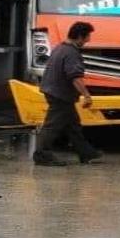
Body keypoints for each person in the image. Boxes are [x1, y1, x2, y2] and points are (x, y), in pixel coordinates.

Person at [33, 22, 102, 167]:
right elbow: (75, 77)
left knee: (73, 125)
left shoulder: (60, 48)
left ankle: (86, 152)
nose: (88, 40)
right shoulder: (71, 53)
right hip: (60, 94)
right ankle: (42, 155)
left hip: (54, 91)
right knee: (52, 126)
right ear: (79, 36)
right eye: (87, 37)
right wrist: (87, 95)